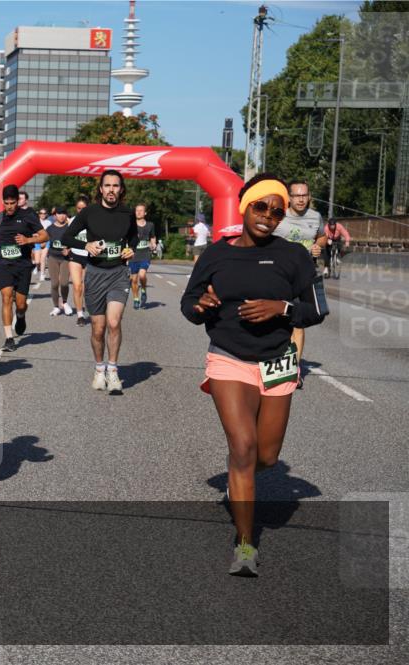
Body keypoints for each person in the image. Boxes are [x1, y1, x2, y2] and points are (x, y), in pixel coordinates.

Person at [181, 173, 326, 576]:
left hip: (277, 361)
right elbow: (189, 303)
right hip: (228, 357)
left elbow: (317, 309)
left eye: (277, 212)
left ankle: (238, 475)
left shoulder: (293, 256)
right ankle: (245, 546)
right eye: (261, 207)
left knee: (266, 456)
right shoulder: (216, 254)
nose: (268, 216)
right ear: (245, 207)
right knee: (244, 447)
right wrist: (200, 306)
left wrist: (283, 308)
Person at [61, 171, 137, 393]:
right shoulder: (89, 212)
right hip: (95, 273)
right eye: (107, 186)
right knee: (98, 328)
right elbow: (66, 237)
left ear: (121, 189)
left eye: (115, 186)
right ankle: (99, 368)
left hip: (118, 274)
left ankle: (113, 371)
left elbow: (134, 237)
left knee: (113, 322)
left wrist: (131, 248)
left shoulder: (127, 213)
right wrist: (85, 245)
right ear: (101, 189)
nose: (111, 190)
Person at [274, 179, 326, 388]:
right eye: (296, 195)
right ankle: (272, 362)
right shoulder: (278, 216)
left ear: (309, 196)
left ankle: (293, 370)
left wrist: (318, 246)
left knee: (298, 322)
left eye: (304, 195)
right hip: (279, 275)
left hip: (304, 275)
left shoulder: (315, 216)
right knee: (277, 320)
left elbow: (322, 236)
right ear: (289, 198)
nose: (301, 199)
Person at [0, 184, 48, 352]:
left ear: (18, 201)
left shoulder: (28, 216)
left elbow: (45, 236)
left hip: (23, 265)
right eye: (6, 203)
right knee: (6, 297)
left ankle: (21, 315)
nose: (9, 206)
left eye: (13, 203)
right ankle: (9, 338)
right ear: (3, 201)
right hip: (4, 265)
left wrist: (28, 240)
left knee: (21, 304)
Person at [45, 206, 75, 316]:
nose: (61, 216)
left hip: (65, 259)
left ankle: (65, 302)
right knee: (54, 284)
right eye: (59, 213)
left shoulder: (70, 228)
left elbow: (75, 241)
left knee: (64, 283)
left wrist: (69, 249)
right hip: (53, 257)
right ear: (55, 215)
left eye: (63, 213)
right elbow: (43, 240)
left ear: (66, 215)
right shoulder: (50, 228)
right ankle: (56, 307)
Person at [129, 203, 157, 310]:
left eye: (141, 210)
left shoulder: (150, 225)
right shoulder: (131, 225)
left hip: (145, 254)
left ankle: (144, 289)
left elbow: (153, 237)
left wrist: (153, 244)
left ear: (145, 213)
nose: (138, 212)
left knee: (142, 275)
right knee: (134, 280)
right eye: (137, 210)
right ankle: (136, 298)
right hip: (133, 255)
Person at [68, 195, 91, 325]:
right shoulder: (72, 221)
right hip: (75, 255)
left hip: (89, 256)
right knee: (77, 286)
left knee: (87, 287)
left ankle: (92, 308)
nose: (81, 211)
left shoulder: (94, 220)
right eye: (78, 208)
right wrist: (66, 247)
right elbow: (67, 236)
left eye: (83, 208)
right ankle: (80, 314)